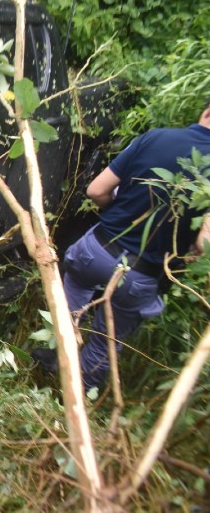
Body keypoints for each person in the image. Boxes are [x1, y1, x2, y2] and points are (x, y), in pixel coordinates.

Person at [33, 101, 210, 391]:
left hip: (96, 249)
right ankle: (74, 401)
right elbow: (204, 246)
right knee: (105, 343)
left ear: (206, 112)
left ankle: (57, 352)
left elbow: (96, 190)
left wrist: (121, 214)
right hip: (139, 277)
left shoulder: (155, 136)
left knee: (73, 291)